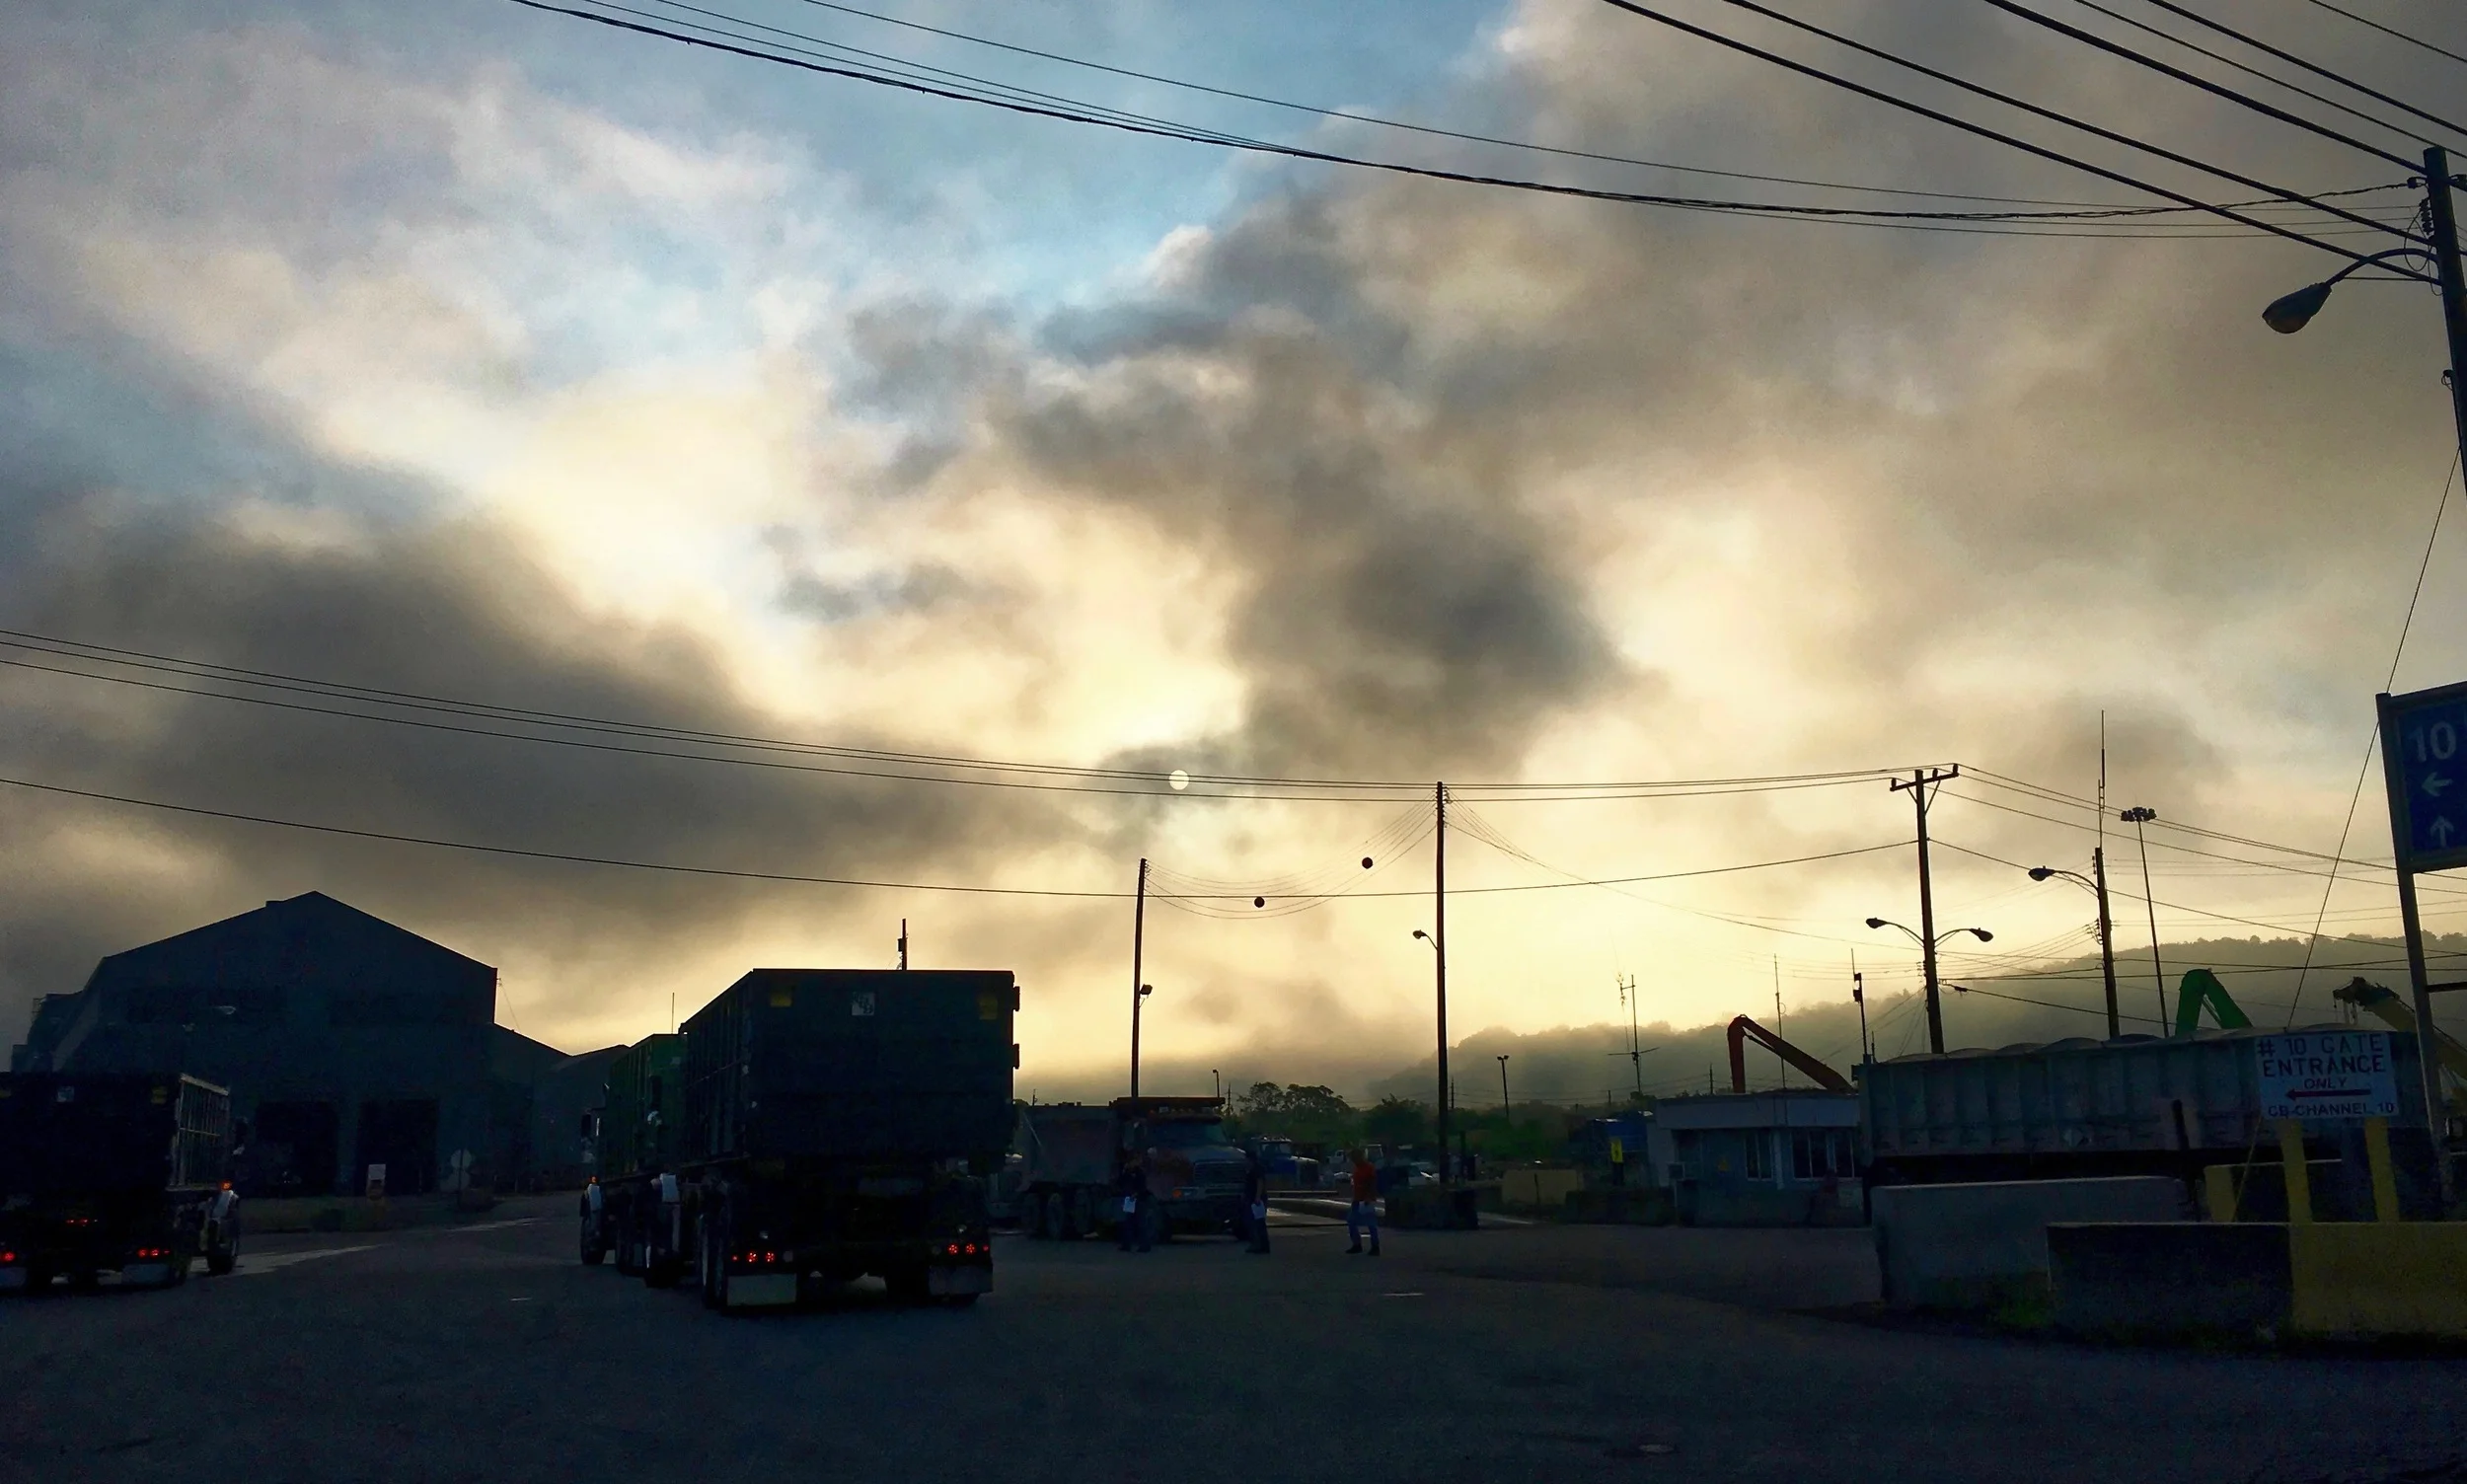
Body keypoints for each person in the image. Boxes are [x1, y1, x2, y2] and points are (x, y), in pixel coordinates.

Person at [1345, 1150, 1381, 1257]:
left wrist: (1369, 1197)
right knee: (1351, 1221)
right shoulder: (1358, 1168)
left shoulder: (1368, 1168)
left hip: (1366, 1199)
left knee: (1371, 1224)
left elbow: (1372, 1183)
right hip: (1357, 1198)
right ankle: (1357, 1244)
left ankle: (1375, 1246)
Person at [1115, 1154, 1152, 1253]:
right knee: (1128, 1223)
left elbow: (1142, 1187)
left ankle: (1144, 1245)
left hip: (1138, 1200)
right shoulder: (1127, 1172)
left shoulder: (1140, 1173)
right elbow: (1120, 1183)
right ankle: (1126, 1244)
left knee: (1140, 1223)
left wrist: (1136, 1194)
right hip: (1129, 1200)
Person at [1241, 1147, 1270, 1255]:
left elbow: (1260, 1182)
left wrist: (1257, 1197)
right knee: (1258, 1223)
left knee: (1255, 1222)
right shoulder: (1252, 1169)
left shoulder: (1256, 1169)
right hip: (1253, 1198)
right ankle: (1262, 1245)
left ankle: (1258, 1244)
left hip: (1256, 1200)